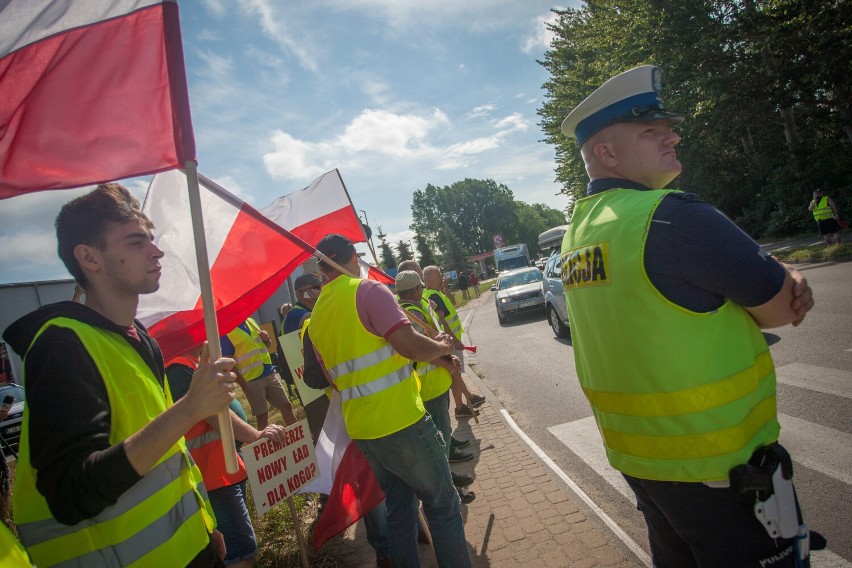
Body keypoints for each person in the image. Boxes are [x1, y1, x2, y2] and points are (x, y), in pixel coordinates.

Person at [559, 65, 817, 567]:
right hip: (730, 474)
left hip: (650, 472)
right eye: (651, 131)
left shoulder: (580, 232)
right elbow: (783, 308)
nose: (673, 136)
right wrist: (785, 271)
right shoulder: (673, 216)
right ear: (606, 153)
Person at [3, 183, 237, 567]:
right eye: (135, 242)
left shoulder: (138, 337)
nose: (157, 251)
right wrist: (191, 407)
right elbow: (70, 494)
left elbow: (164, 452)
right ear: (89, 258)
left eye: (151, 239)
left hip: (192, 549)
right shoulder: (62, 347)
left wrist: (204, 528)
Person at [308, 234, 470, 568]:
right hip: (401, 421)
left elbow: (331, 378)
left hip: (363, 429)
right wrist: (441, 346)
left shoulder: (317, 314)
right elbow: (409, 346)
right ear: (353, 257)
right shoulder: (367, 290)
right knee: (443, 504)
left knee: (400, 510)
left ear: (322, 267)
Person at [167, 347, 288, 568]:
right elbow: (214, 413)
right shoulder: (178, 368)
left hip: (224, 469)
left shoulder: (192, 364)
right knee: (240, 554)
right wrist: (255, 435)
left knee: (240, 547)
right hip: (214, 477)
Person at [396, 270, 476, 500]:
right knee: (438, 444)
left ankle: (449, 480)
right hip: (429, 386)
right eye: (420, 287)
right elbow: (422, 352)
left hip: (436, 383)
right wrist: (447, 364)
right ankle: (450, 490)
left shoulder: (417, 308)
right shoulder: (410, 313)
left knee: (441, 437)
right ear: (416, 289)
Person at [423, 265, 485, 418]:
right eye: (439, 276)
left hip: (449, 341)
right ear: (430, 280)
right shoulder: (433, 295)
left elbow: (453, 302)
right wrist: (455, 340)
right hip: (449, 341)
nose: (442, 278)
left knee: (455, 372)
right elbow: (441, 322)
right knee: (455, 372)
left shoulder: (436, 293)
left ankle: (463, 403)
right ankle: (462, 404)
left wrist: (444, 288)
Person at [222, 317, 297, 430]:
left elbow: (264, 345)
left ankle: (299, 438)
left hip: (269, 373)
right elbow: (228, 363)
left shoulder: (250, 321)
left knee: (286, 406)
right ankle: (265, 446)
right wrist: (243, 384)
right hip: (251, 380)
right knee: (262, 417)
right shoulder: (226, 332)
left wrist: (267, 340)